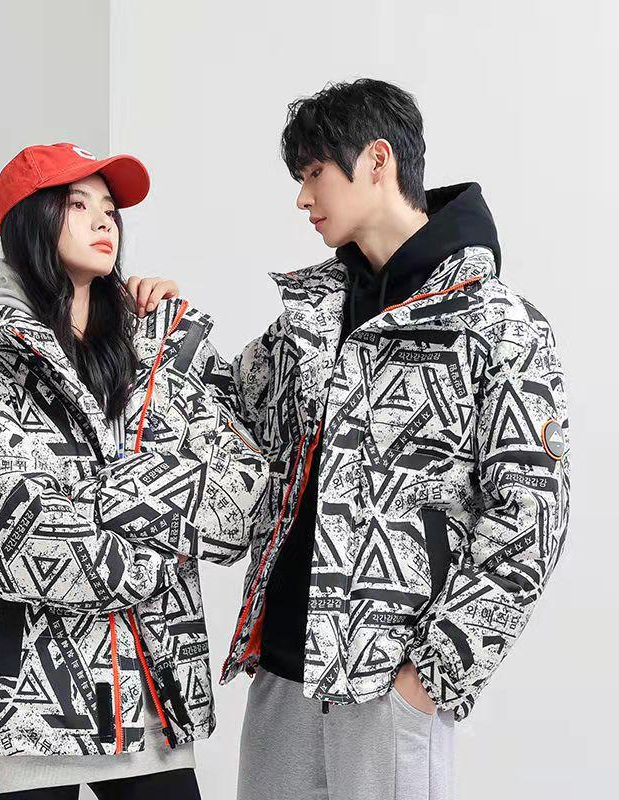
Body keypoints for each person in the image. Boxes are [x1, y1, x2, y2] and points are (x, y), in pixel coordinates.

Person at [129, 78, 571, 800]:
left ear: (376, 160)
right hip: (282, 670)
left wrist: (431, 675)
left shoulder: (497, 324)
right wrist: (163, 328)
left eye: (314, 174)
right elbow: (232, 409)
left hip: (388, 682)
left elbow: (531, 517)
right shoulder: (312, 317)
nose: (303, 199)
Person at [0, 142, 268, 800]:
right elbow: (17, 540)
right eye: (78, 204)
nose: (103, 220)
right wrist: (156, 527)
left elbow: (240, 501)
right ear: (31, 224)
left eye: (109, 208)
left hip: (151, 702)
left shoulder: (159, 355)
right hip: (22, 712)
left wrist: (163, 349)